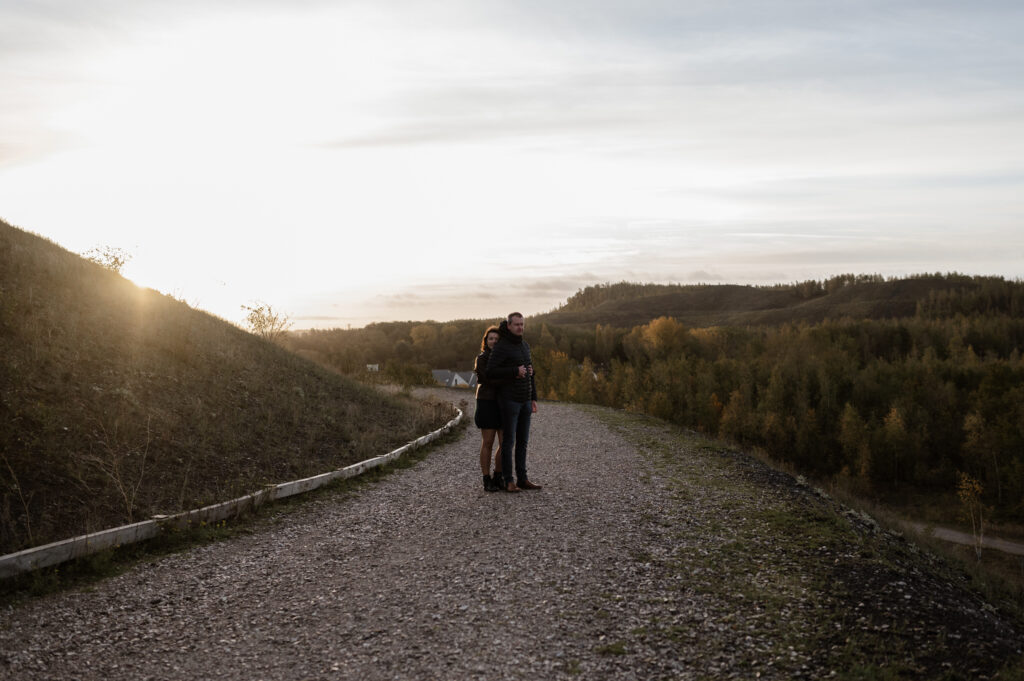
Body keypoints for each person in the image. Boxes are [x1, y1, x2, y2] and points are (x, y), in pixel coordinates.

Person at [485, 312, 541, 492]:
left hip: (525, 400)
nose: (520, 327)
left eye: (522, 324)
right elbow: (491, 371)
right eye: (516, 324)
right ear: (509, 326)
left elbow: (530, 373)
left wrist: (533, 398)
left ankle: (523, 479)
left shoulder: (524, 345)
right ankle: (509, 481)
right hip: (509, 400)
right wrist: (514, 371)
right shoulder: (502, 346)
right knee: (508, 442)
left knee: (523, 442)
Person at [473, 325, 504, 492]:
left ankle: (498, 476)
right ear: (486, 341)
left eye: (497, 339)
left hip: (503, 402)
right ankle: (486, 479)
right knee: (488, 441)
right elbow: (487, 379)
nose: (493, 341)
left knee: (505, 442)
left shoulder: (505, 358)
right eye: (491, 338)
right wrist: (508, 376)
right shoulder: (482, 359)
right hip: (486, 401)